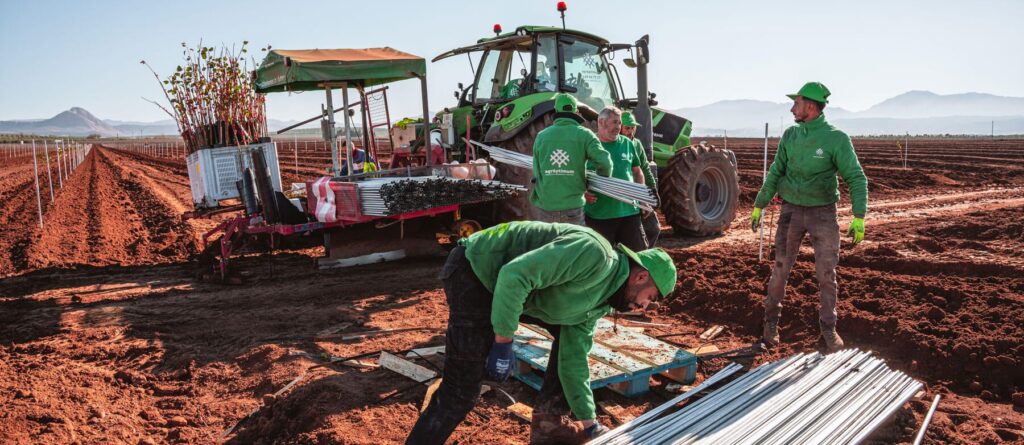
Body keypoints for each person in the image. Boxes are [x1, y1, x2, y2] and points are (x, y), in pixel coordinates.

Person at [406, 221, 677, 445]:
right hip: (476, 270)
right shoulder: (593, 254)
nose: (643, 307)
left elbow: (573, 360)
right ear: (640, 277)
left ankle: (550, 423)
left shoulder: (599, 304)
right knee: (462, 390)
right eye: (649, 298)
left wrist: (589, 423)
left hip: (512, 288)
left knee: (567, 346)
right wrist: (503, 341)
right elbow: (514, 275)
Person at [750, 81, 868, 352]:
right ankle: (770, 324)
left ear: (811, 107)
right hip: (791, 211)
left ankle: (828, 329)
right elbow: (776, 171)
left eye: (797, 103)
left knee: (826, 274)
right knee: (780, 269)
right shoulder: (791, 136)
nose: (793, 107)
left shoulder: (836, 139)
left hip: (823, 214)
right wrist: (760, 204)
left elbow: (856, 177)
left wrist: (859, 215)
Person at [530, 93, 612, 224]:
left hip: (545, 208)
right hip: (572, 208)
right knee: (573, 243)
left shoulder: (541, 136)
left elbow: (536, 172)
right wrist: (598, 181)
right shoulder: (585, 134)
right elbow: (605, 163)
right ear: (576, 111)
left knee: (548, 244)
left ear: (556, 111)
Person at [583, 107, 648, 251]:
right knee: (600, 260)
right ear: (601, 122)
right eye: (615, 122)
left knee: (639, 258)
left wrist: (642, 197)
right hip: (599, 216)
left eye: (619, 123)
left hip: (629, 213)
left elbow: (637, 172)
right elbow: (575, 173)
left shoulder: (627, 143)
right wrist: (583, 192)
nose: (619, 127)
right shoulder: (588, 144)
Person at [620, 111, 661, 247]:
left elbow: (644, 167)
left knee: (653, 228)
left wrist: (653, 190)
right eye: (627, 128)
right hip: (622, 194)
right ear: (619, 127)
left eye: (633, 128)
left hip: (638, 191)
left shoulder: (637, 144)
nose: (630, 131)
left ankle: (646, 256)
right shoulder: (615, 144)